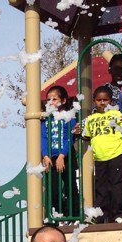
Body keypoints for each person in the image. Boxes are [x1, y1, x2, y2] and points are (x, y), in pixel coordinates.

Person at [80, 85, 122, 223]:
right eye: (99, 100)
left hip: (116, 154)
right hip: (100, 157)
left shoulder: (115, 114)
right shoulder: (91, 119)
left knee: (116, 186)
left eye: (105, 100)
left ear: (111, 101)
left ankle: (117, 214)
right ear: (94, 101)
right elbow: (86, 136)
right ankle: (102, 215)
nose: (102, 103)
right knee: (101, 188)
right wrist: (79, 132)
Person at [40, 85, 78, 220]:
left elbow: (69, 137)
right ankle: (58, 215)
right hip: (51, 156)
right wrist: (45, 155)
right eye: (48, 100)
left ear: (63, 100)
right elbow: (43, 137)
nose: (50, 102)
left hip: (66, 156)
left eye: (54, 99)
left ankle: (73, 215)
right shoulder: (45, 120)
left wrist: (62, 155)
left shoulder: (69, 117)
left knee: (70, 186)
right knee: (53, 189)